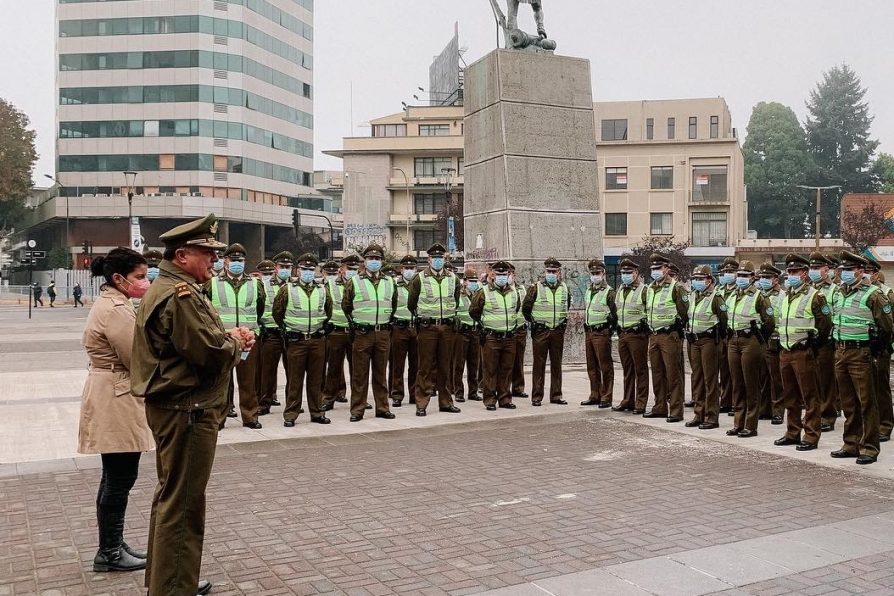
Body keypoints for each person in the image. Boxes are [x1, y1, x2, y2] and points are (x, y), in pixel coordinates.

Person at [131, 213, 253, 596]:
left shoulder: (174, 287)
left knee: (172, 498)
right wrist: (237, 343)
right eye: (208, 254)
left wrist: (225, 337)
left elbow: (193, 342)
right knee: (183, 505)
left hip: (180, 407)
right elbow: (208, 353)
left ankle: (169, 580)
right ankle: (173, 588)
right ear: (183, 255)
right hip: (188, 410)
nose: (215, 262)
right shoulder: (178, 294)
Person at [78, 247, 153, 573]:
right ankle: (109, 551)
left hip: (113, 393)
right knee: (119, 477)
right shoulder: (115, 310)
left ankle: (112, 545)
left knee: (115, 476)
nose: (146, 282)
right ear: (119, 278)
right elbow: (138, 357)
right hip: (116, 397)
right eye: (140, 277)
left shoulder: (115, 304)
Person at [830, 251, 892, 465]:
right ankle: (851, 443)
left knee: (867, 402)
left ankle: (870, 447)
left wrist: (875, 349)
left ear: (859, 271)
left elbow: (886, 326)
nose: (844, 273)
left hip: (862, 352)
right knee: (848, 402)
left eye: (848, 270)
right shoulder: (838, 293)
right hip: (841, 351)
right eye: (843, 270)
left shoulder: (873, 294)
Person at [773, 253, 831, 451]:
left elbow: (825, 325)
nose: (790, 275)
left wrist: (812, 346)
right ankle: (792, 432)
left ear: (805, 274)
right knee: (790, 395)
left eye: (795, 271)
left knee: (810, 396)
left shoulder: (815, 295)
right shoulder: (786, 295)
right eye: (789, 272)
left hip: (803, 351)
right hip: (786, 351)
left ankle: (811, 435)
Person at [208, 243, 265, 430]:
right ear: (225, 261)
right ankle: (221, 417)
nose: (237, 264)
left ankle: (250, 416)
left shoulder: (255, 283)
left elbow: (260, 308)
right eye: (233, 260)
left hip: (248, 340)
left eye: (240, 260)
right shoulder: (213, 283)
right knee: (223, 381)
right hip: (223, 339)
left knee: (248, 380)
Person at [273, 252, 332, 426]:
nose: (308, 272)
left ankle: (317, 412)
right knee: (294, 380)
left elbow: (328, 312)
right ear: (298, 270)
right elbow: (278, 312)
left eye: (311, 269)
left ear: (315, 271)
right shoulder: (287, 289)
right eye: (304, 269)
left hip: (316, 340)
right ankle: (291, 414)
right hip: (296, 340)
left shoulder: (322, 289)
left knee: (317, 379)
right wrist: (288, 329)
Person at [342, 244, 397, 422]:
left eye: (377, 259)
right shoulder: (354, 282)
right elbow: (346, 306)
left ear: (382, 261)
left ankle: (382, 407)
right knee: (360, 374)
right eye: (371, 259)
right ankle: (357, 409)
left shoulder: (390, 282)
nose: (374, 262)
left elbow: (393, 305)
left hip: (382, 333)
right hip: (362, 333)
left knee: (381, 373)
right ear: (364, 262)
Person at [408, 243, 462, 416]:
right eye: (434, 258)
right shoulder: (419, 278)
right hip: (428, 328)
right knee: (425, 367)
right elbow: (412, 304)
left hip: (447, 327)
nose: (437, 261)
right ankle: (421, 403)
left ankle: (446, 402)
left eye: (440, 258)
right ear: (429, 259)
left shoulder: (453, 278)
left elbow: (456, 301)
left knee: (445, 365)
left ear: (444, 259)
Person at [725, 260, 774, 438]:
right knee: (737, 383)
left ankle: (751, 425)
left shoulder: (759, 296)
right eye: (739, 275)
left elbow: (769, 322)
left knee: (751, 384)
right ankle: (738, 423)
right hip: (734, 340)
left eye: (745, 276)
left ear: (753, 278)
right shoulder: (731, 295)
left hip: (751, 341)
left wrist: (759, 340)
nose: (741, 278)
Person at [644, 254, 688, 422]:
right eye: (653, 269)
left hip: (670, 335)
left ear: (666, 269)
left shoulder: (676, 288)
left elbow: (685, 312)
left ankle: (676, 410)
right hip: (654, 335)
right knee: (657, 373)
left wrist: (677, 330)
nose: (655, 272)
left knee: (673, 373)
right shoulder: (650, 288)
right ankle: (659, 406)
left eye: (658, 268)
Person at [470, 261, 519, 411]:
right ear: (492, 275)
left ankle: (504, 398)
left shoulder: (514, 292)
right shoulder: (484, 292)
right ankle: (490, 399)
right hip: (491, 337)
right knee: (490, 370)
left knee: (506, 369)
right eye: (499, 274)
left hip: (509, 336)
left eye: (504, 275)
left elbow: (516, 309)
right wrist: (484, 325)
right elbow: (473, 311)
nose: (502, 277)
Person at [523, 258, 572, 406]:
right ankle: (537, 396)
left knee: (557, 363)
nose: (551, 274)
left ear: (559, 272)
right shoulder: (535, 288)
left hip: (557, 330)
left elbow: (567, 305)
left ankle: (556, 395)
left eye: (554, 271)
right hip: (541, 331)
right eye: (549, 271)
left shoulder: (564, 288)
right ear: (545, 272)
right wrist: (534, 322)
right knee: (539, 364)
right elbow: (526, 307)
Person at [683, 265, 727, 430]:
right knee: (698, 378)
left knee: (710, 379)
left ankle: (711, 417)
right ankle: (699, 414)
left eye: (700, 279)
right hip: (694, 341)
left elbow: (724, 321)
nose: (697, 282)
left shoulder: (716, 297)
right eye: (695, 279)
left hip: (709, 341)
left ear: (709, 280)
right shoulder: (693, 295)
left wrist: (718, 340)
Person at [612, 258, 649, 413]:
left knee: (640, 369)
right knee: (627, 369)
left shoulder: (644, 290)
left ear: (636, 273)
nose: (625, 275)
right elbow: (617, 310)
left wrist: (644, 328)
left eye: (628, 272)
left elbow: (649, 311)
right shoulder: (621, 289)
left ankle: (641, 402)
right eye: (623, 273)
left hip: (637, 334)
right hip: (623, 333)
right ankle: (628, 400)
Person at [322, 255, 359, 411]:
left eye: (355, 269)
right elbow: (325, 306)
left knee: (357, 369)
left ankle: (358, 398)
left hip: (355, 331)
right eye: (349, 269)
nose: (352, 271)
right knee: (334, 368)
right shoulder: (330, 285)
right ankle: (328, 398)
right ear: (341, 269)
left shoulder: (361, 284)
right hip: (336, 331)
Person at [257, 252, 293, 415]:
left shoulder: (295, 285)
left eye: (288, 267)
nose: (285, 269)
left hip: (291, 334)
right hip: (271, 333)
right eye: (282, 267)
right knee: (268, 371)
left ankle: (293, 403)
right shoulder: (264, 285)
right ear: (275, 268)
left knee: (293, 371)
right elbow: (259, 308)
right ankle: (265, 402)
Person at [809, 252, 841, 432]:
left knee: (826, 380)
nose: (813, 271)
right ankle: (815, 413)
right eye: (811, 268)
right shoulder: (808, 288)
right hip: (809, 341)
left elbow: (834, 316)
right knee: (812, 380)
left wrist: (826, 337)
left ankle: (828, 416)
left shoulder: (834, 290)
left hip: (825, 341)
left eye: (817, 268)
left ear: (826, 270)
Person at [580, 259, 616, 408]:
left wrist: (609, 330)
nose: (595, 275)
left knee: (605, 366)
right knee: (592, 366)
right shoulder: (589, 290)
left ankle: (606, 397)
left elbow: (615, 313)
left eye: (597, 273)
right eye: (593, 273)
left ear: (603, 273)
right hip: (589, 331)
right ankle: (595, 394)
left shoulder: (609, 292)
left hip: (601, 332)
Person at [865, 256, 894, 442]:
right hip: (863, 346)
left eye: (868, 271)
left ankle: (885, 424)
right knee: (868, 389)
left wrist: (883, 344)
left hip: (881, 346)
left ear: (875, 274)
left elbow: (890, 324)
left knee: (881, 388)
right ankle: (871, 424)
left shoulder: (887, 293)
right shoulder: (861, 292)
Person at [757, 263, 786, 424]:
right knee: (763, 377)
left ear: (775, 279)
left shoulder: (783, 295)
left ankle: (778, 411)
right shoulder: (758, 295)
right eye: (761, 277)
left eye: (767, 277)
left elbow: (782, 318)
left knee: (776, 379)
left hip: (775, 340)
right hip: (760, 340)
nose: (763, 280)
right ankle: (764, 409)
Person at [390, 255, 419, 408]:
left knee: (416, 364)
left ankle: (414, 394)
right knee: (398, 364)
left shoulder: (419, 284)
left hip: (416, 327)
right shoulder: (394, 285)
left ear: (416, 269)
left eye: (412, 268)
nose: (409, 271)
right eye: (406, 268)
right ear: (401, 270)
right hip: (399, 328)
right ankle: (397, 395)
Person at [452, 270, 482, 403]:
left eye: (476, 281)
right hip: (462, 333)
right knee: (459, 364)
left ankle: (473, 391)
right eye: (471, 281)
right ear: (465, 281)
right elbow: (453, 311)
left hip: (475, 332)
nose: (474, 284)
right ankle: (458, 392)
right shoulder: (458, 295)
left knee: (474, 364)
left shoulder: (479, 295)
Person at [714, 257, 739, 414]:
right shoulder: (719, 290)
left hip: (734, 334)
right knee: (724, 370)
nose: (726, 275)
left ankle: (737, 403)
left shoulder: (740, 290)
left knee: (735, 372)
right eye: (724, 272)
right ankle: (726, 400)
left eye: (730, 272)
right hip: (722, 334)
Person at [509, 264, 529, 400]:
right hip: (508, 330)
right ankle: (503, 388)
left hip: (520, 329)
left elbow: (527, 306)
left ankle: (518, 388)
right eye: (506, 273)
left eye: (511, 273)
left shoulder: (521, 289)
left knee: (518, 360)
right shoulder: (501, 290)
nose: (508, 276)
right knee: (506, 361)